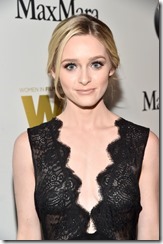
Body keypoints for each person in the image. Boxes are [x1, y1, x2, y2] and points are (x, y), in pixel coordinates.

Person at [12, 14, 159, 240]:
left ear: (112, 66)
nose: (84, 79)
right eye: (70, 66)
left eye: (96, 64)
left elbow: (150, 231)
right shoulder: (28, 146)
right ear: (53, 71)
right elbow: (28, 232)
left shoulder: (144, 143)